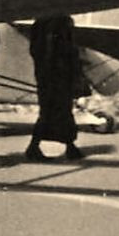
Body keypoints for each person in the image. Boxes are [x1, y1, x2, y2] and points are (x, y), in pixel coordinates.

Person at [24, 15, 83, 162]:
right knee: (58, 111)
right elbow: (68, 50)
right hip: (57, 75)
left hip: (48, 74)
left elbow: (36, 51)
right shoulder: (61, 22)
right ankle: (38, 147)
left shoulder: (41, 22)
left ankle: (67, 146)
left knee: (53, 111)